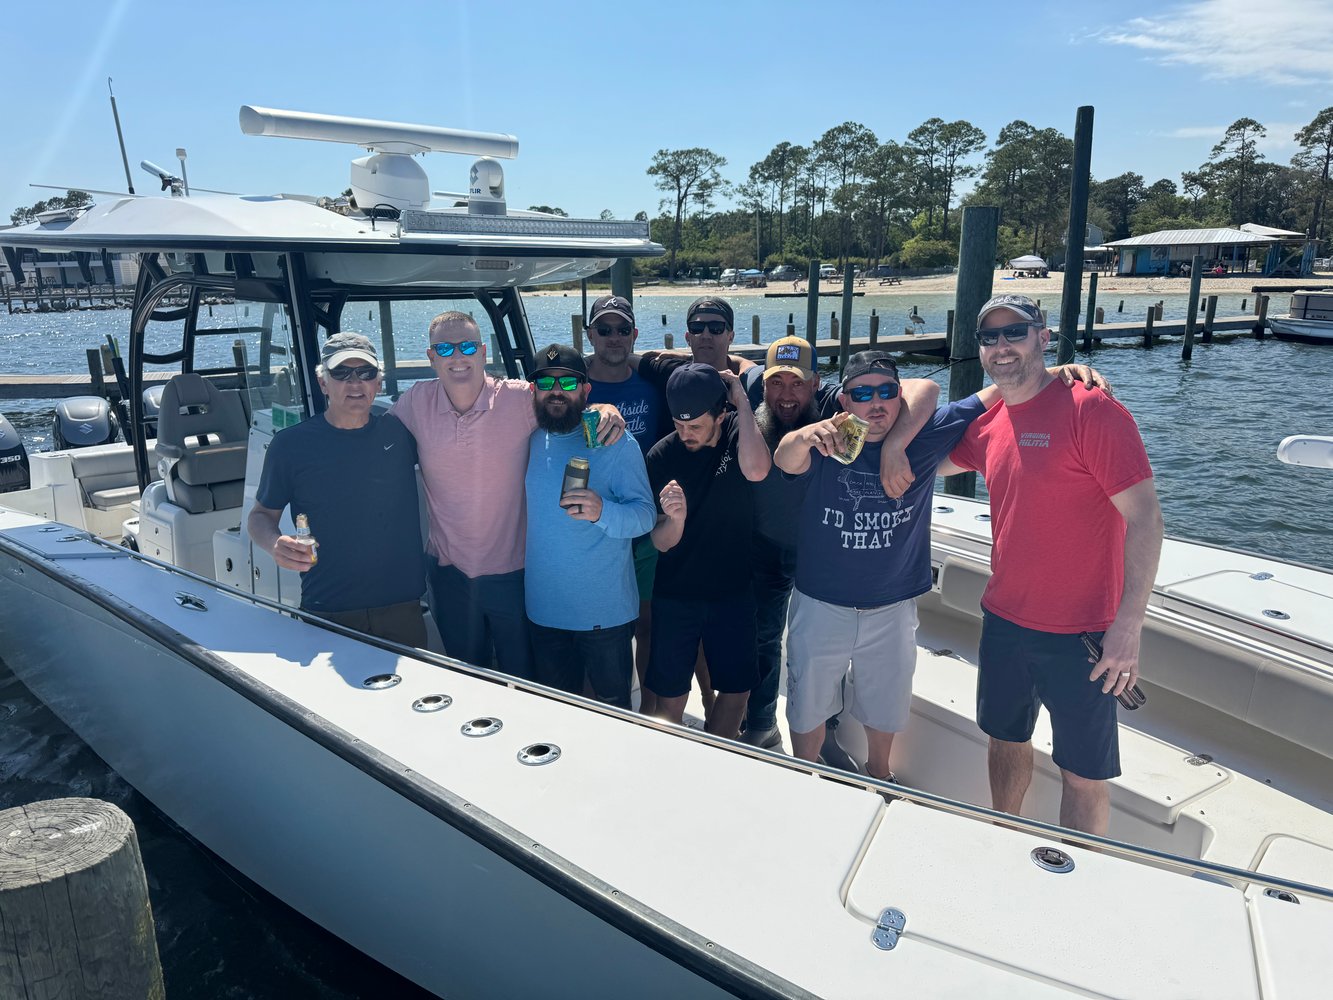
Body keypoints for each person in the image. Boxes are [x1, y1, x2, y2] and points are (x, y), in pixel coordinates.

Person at [938, 293, 1163, 836]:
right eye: (989, 338)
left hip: (1083, 632)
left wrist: (1128, 627)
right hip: (1005, 621)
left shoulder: (1091, 408)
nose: (1001, 346)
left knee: (1083, 772)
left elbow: (1146, 519)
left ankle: (1079, 876)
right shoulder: (988, 421)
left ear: (1044, 335)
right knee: (1005, 740)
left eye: (1015, 332)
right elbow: (929, 461)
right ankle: (1004, 835)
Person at [773, 351, 984, 781]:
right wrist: (806, 436)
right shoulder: (828, 441)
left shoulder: (923, 440)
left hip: (892, 605)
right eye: (862, 393)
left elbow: (995, 392)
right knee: (806, 703)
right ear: (844, 402)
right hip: (820, 603)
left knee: (885, 706)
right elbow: (783, 458)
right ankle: (803, 775)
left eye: (887, 392)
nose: (876, 403)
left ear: (900, 398)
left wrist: (1059, 370)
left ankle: (879, 775)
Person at [392, 311, 625, 679]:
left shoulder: (518, 399)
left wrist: (603, 407)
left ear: (484, 352)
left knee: (524, 678)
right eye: (446, 348)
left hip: (514, 573)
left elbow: (564, 402)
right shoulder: (414, 404)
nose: (458, 357)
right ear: (431, 357)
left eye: (468, 346)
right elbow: (372, 444)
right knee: (466, 678)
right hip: (448, 574)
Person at [742, 337, 940, 752]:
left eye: (797, 384)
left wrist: (895, 444)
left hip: (824, 552)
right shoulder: (755, 396)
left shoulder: (843, 403)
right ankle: (762, 724)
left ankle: (830, 735)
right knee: (763, 641)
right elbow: (739, 369)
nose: (786, 395)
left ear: (817, 384)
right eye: (776, 383)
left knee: (826, 654)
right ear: (764, 384)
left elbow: (923, 388)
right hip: (766, 547)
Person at [249, 333, 426, 646]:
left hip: (403, 610)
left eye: (366, 373)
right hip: (328, 611)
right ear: (323, 383)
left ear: (379, 383)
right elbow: (260, 515)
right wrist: (274, 543)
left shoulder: (402, 433)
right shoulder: (290, 445)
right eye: (341, 373)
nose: (355, 383)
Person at [524, 343, 655, 709]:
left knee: (614, 713)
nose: (556, 391)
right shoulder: (529, 439)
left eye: (568, 383)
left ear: (586, 391)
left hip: (606, 614)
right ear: (532, 390)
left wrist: (603, 512)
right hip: (543, 610)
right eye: (546, 383)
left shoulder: (615, 440)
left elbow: (644, 514)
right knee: (556, 712)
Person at [645, 363, 770, 739]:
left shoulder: (739, 431)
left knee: (736, 689)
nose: (685, 434)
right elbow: (659, 541)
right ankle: (671, 762)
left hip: (732, 591)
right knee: (669, 698)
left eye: (695, 426)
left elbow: (758, 470)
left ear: (721, 413)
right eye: (679, 425)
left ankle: (717, 760)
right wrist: (676, 521)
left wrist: (743, 404)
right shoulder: (661, 456)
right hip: (676, 594)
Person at [583, 294, 668, 714]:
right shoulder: (573, 386)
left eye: (622, 330)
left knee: (648, 625)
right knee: (596, 626)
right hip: (592, 529)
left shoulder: (652, 385)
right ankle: (597, 711)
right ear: (589, 335)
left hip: (643, 523)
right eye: (604, 329)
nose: (613, 338)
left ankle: (650, 717)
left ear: (634, 335)